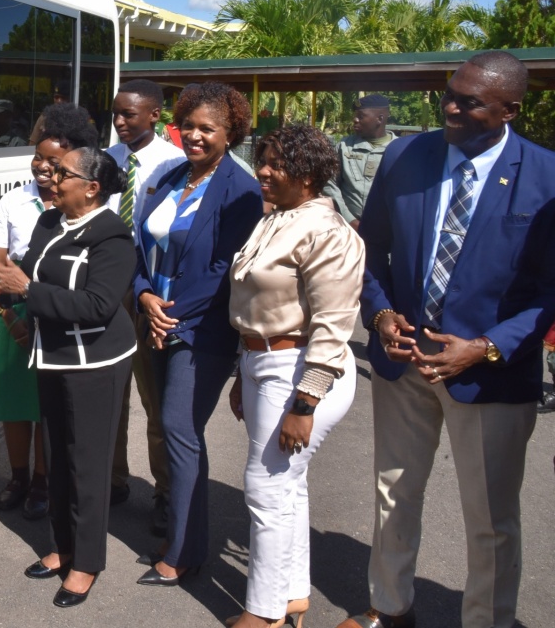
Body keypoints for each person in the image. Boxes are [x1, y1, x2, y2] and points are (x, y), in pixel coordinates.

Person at [337, 51, 555, 628]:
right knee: (393, 494)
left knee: (489, 520)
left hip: (488, 375)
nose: (450, 106)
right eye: (449, 93)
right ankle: (390, 606)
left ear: (510, 109)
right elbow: (371, 249)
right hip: (403, 362)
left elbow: (549, 293)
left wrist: (482, 348)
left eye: (469, 100)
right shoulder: (407, 155)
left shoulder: (546, 177)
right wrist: (381, 313)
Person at [0, 147, 136, 609]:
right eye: (52, 170)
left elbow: (99, 305)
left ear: (92, 188)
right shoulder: (47, 222)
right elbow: (22, 275)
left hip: (95, 362)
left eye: (63, 173)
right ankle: (63, 546)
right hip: (51, 354)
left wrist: (27, 290)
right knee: (56, 456)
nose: (51, 178)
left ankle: (87, 562)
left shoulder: (112, 236)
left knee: (87, 463)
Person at [225, 125, 364, 628]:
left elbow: (333, 325)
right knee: (287, 487)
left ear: (308, 174)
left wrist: (304, 404)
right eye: (262, 159)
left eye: (276, 163)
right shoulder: (278, 218)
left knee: (265, 489)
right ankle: (292, 596)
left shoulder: (328, 232)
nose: (263, 170)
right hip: (263, 362)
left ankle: (264, 613)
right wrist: (244, 373)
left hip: (302, 370)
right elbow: (257, 304)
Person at [131, 83, 263, 587]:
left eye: (208, 129)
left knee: (180, 431)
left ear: (230, 135)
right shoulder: (169, 177)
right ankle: (182, 534)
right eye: (188, 126)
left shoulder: (241, 191)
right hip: (156, 319)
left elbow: (225, 271)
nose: (194, 136)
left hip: (200, 332)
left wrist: (172, 319)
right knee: (170, 430)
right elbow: (142, 248)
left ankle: (186, 551)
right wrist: (145, 295)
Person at [0, 103, 99, 520]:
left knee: (47, 407)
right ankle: (18, 476)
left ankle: (44, 480)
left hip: (57, 314)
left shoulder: (84, 206)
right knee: (13, 405)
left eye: (55, 161)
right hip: (9, 314)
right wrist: (12, 321)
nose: (43, 167)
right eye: (39, 157)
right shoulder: (14, 202)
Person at [106, 78, 186, 530]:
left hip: (151, 292)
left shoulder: (174, 165)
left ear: (155, 115)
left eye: (129, 115)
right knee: (111, 394)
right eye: (115, 114)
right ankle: (114, 479)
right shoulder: (108, 159)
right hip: (107, 290)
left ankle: (166, 492)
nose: (119, 122)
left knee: (155, 399)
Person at [322, 94, 396, 230]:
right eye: (355, 116)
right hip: (347, 228)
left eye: (361, 116)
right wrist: (349, 220)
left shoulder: (398, 150)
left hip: (387, 231)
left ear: (379, 118)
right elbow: (329, 184)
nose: (355, 120)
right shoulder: (344, 146)